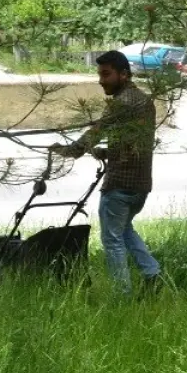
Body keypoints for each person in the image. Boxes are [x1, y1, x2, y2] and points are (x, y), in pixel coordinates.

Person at [51, 50, 161, 293]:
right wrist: (107, 152)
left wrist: (69, 150)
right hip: (141, 184)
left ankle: (122, 294)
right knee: (124, 230)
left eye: (106, 74)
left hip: (119, 184)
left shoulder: (120, 103)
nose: (101, 80)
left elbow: (96, 131)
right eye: (99, 74)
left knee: (112, 240)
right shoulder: (144, 101)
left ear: (124, 74)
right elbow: (134, 144)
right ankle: (152, 273)